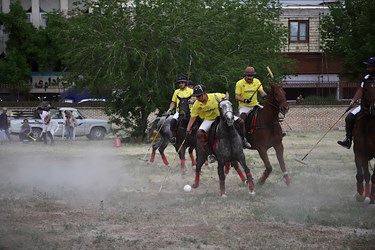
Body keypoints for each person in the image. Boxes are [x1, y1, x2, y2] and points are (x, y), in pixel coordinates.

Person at [186, 84, 251, 163]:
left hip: (222, 117)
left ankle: (243, 140)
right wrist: (188, 128)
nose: (198, 98)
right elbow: (193, 116)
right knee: (199, 133)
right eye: (197, 96)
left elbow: (226, 100)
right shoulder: (196, 104)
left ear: (204, 94)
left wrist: (226, 102)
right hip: (209, 119)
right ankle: (210, 154)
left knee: (241, 122)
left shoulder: (216, 96)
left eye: (199, 96)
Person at [337, 56, 375, 149]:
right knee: (349, 117)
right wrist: (354, 100)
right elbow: (361, 90)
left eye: (370, 67)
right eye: (367, 67)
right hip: (366, 105)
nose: (368, 69)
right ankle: (348, 140)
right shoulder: (366, 78)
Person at [166, 75, 194, 144]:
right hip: (179, 111)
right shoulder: (176, 92)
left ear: (185, 83)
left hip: (191, 111)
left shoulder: (191, 91)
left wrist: (192, 101)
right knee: (172, 121)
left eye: (182, 82)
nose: (180, 84)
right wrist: (170, 109)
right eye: (179, 83)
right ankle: (174, 137)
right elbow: (173, 102)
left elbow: (195, 98)